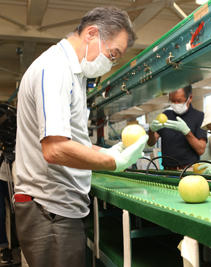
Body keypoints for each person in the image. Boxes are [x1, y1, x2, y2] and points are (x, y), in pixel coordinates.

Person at [15, 7, 148, 267]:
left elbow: (70, 141)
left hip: (58, 209)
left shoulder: (72, 74)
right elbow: (54, 149)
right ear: (91, 33)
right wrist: (113, 163)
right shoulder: (54, 68)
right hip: (49, 209)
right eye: (113, 54)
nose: (110, 63)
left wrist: (108, 151)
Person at [147, 85, 207, 169]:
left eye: (179, 101)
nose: (175, 104)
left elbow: (201, 150)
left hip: (188, 170)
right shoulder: (166, 115)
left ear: (190, 98)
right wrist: (151, 130)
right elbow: (150, 143)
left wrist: (187, 132)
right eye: (172, 101)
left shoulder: (199, 116)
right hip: (168, 171)